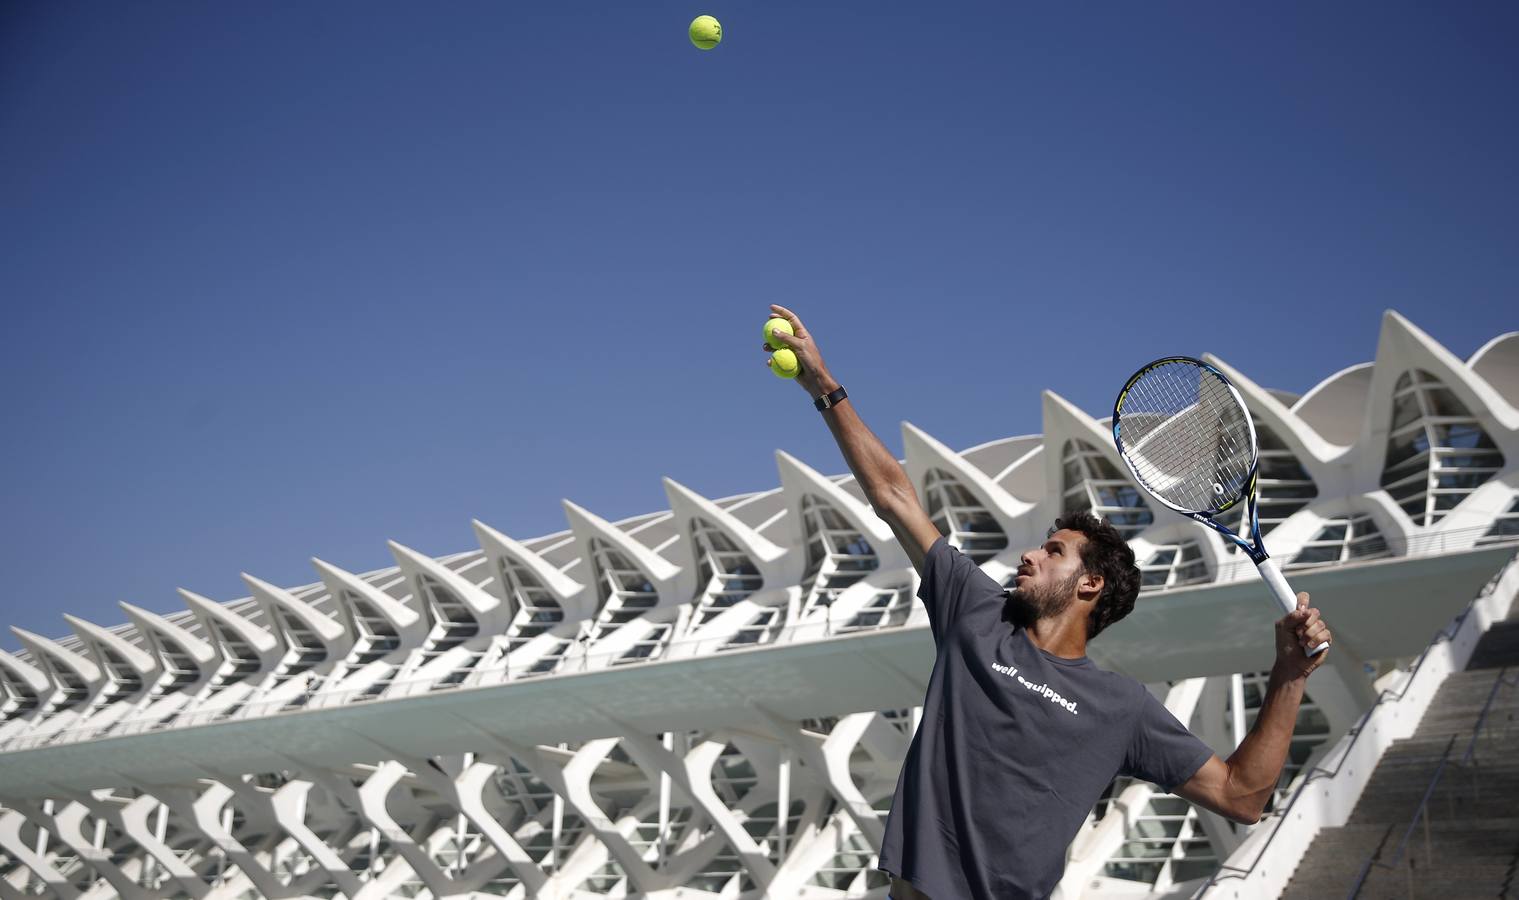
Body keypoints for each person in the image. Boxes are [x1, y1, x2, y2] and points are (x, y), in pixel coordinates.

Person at [762, 304, 1334, 900]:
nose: (1029, 556)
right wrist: (825, 388)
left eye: (1053, 551)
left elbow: (1241, 796)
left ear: (1090, 586)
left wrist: (1289, 676)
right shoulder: (977, 612)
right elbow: (894, 496)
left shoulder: (1121, 707)